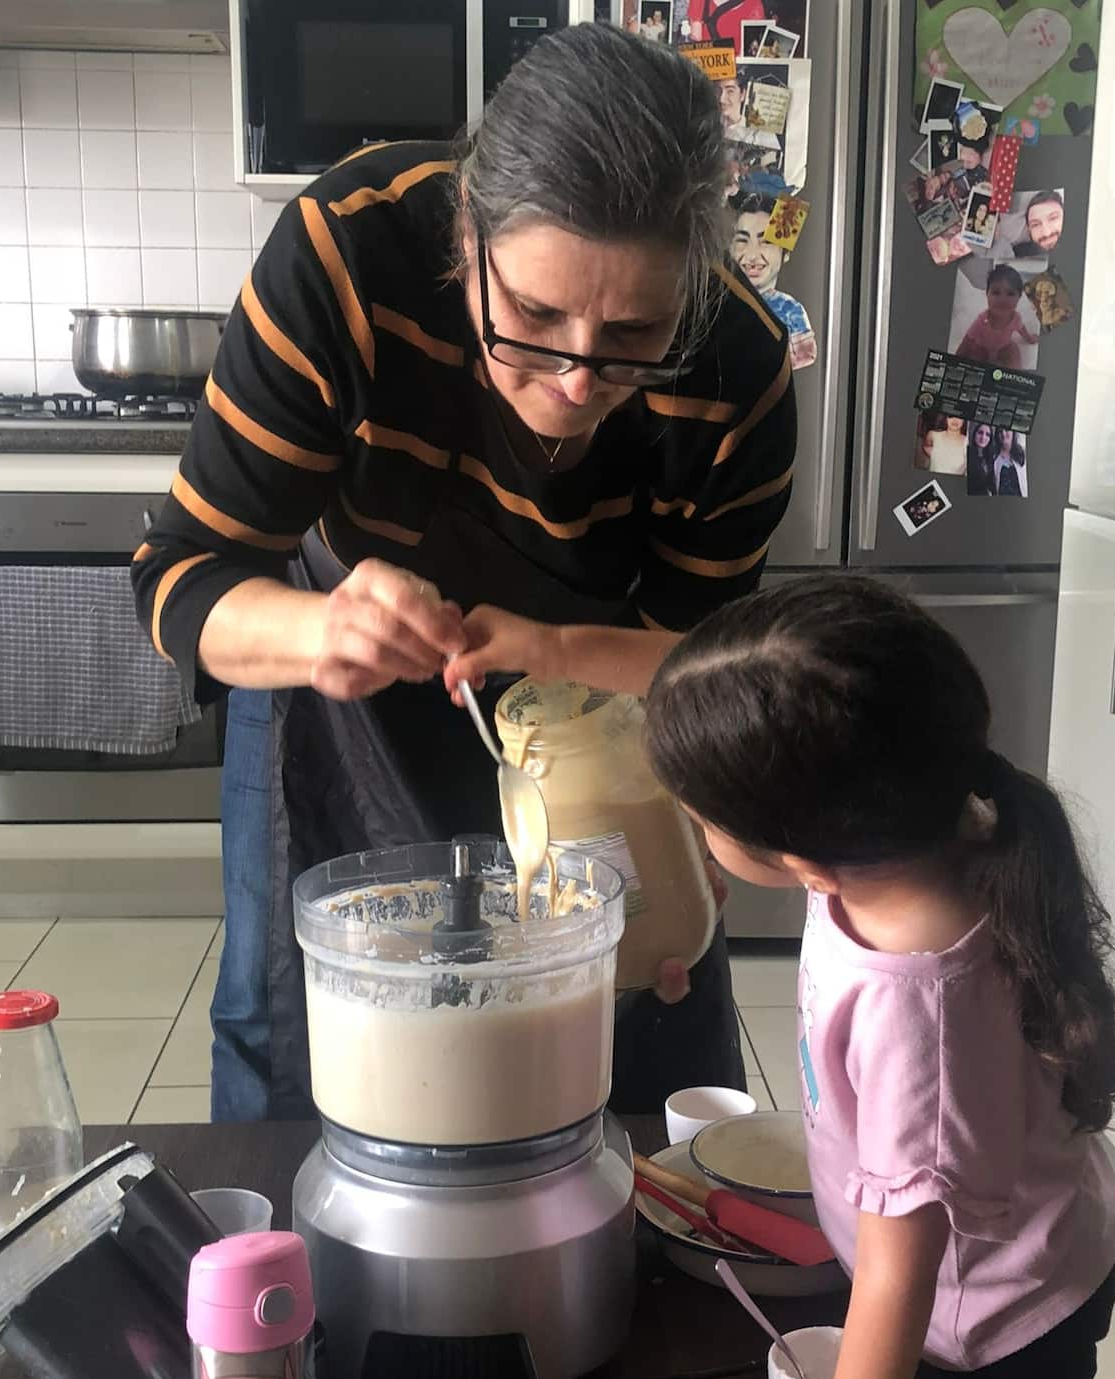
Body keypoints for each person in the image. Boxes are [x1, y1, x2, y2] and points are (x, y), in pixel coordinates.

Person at [130, 23, 796, 1123]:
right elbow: (180, 577)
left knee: (644, 1002)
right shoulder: (344, 253)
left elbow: (698, 663)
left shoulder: (736, 367)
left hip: (590, 699)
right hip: (332, 663)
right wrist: (318, 632)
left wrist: (693, 827)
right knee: (288, 1012)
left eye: (632, 332)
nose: (576, 381)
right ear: (465, 233)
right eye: (531, 318)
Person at [641, 575, 1115, 1379]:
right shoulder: (902, 839)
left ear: (801, 849)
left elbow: (903, 1281)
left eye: (704, 815)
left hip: (992, 1320)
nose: (698, 835)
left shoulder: (920, 1007)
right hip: (1006, 1245)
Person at [728, 192, 816, 367]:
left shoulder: (790, 309)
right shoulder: (717, 304)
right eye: (742, 240)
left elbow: (805, 355)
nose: (752, 255)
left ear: (785, 253)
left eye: (766, 241)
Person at [955, 263, 1039, 369]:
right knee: (975, 355)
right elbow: (967, 340)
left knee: (1012, 350)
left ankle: (1009, 378)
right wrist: (956, 359)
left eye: (1010, 294)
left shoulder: (1015, 318)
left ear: (1019, 297)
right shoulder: (982, 320)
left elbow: (1021, 329)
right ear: (987, 294)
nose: (1002, 299)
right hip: (982, 348)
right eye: (996, 292)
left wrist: (1029, 338)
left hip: (1003, 348)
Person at [1014, 189, 1064, 257]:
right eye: (1035, 225)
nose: (1046, 233)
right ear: (1029, 230)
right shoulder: (1015, 253)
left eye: (1053, 218)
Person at [924, 413, 967, 478]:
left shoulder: (968, 442)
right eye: (951, 416)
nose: (955, 420)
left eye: (959, 417)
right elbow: (926, 446)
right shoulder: (933, 435)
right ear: (946, 417)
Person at [994, 427, 1027, 497]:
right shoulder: (994, 458)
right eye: (1000, 431)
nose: (1003, 434)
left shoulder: (1023, 453)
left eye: (1006, 430)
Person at [966, 421, 995, 496]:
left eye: (987, 435)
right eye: (980, 433)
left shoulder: (991, 457)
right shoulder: (966, 452)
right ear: (974, 433)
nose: (983, 437)